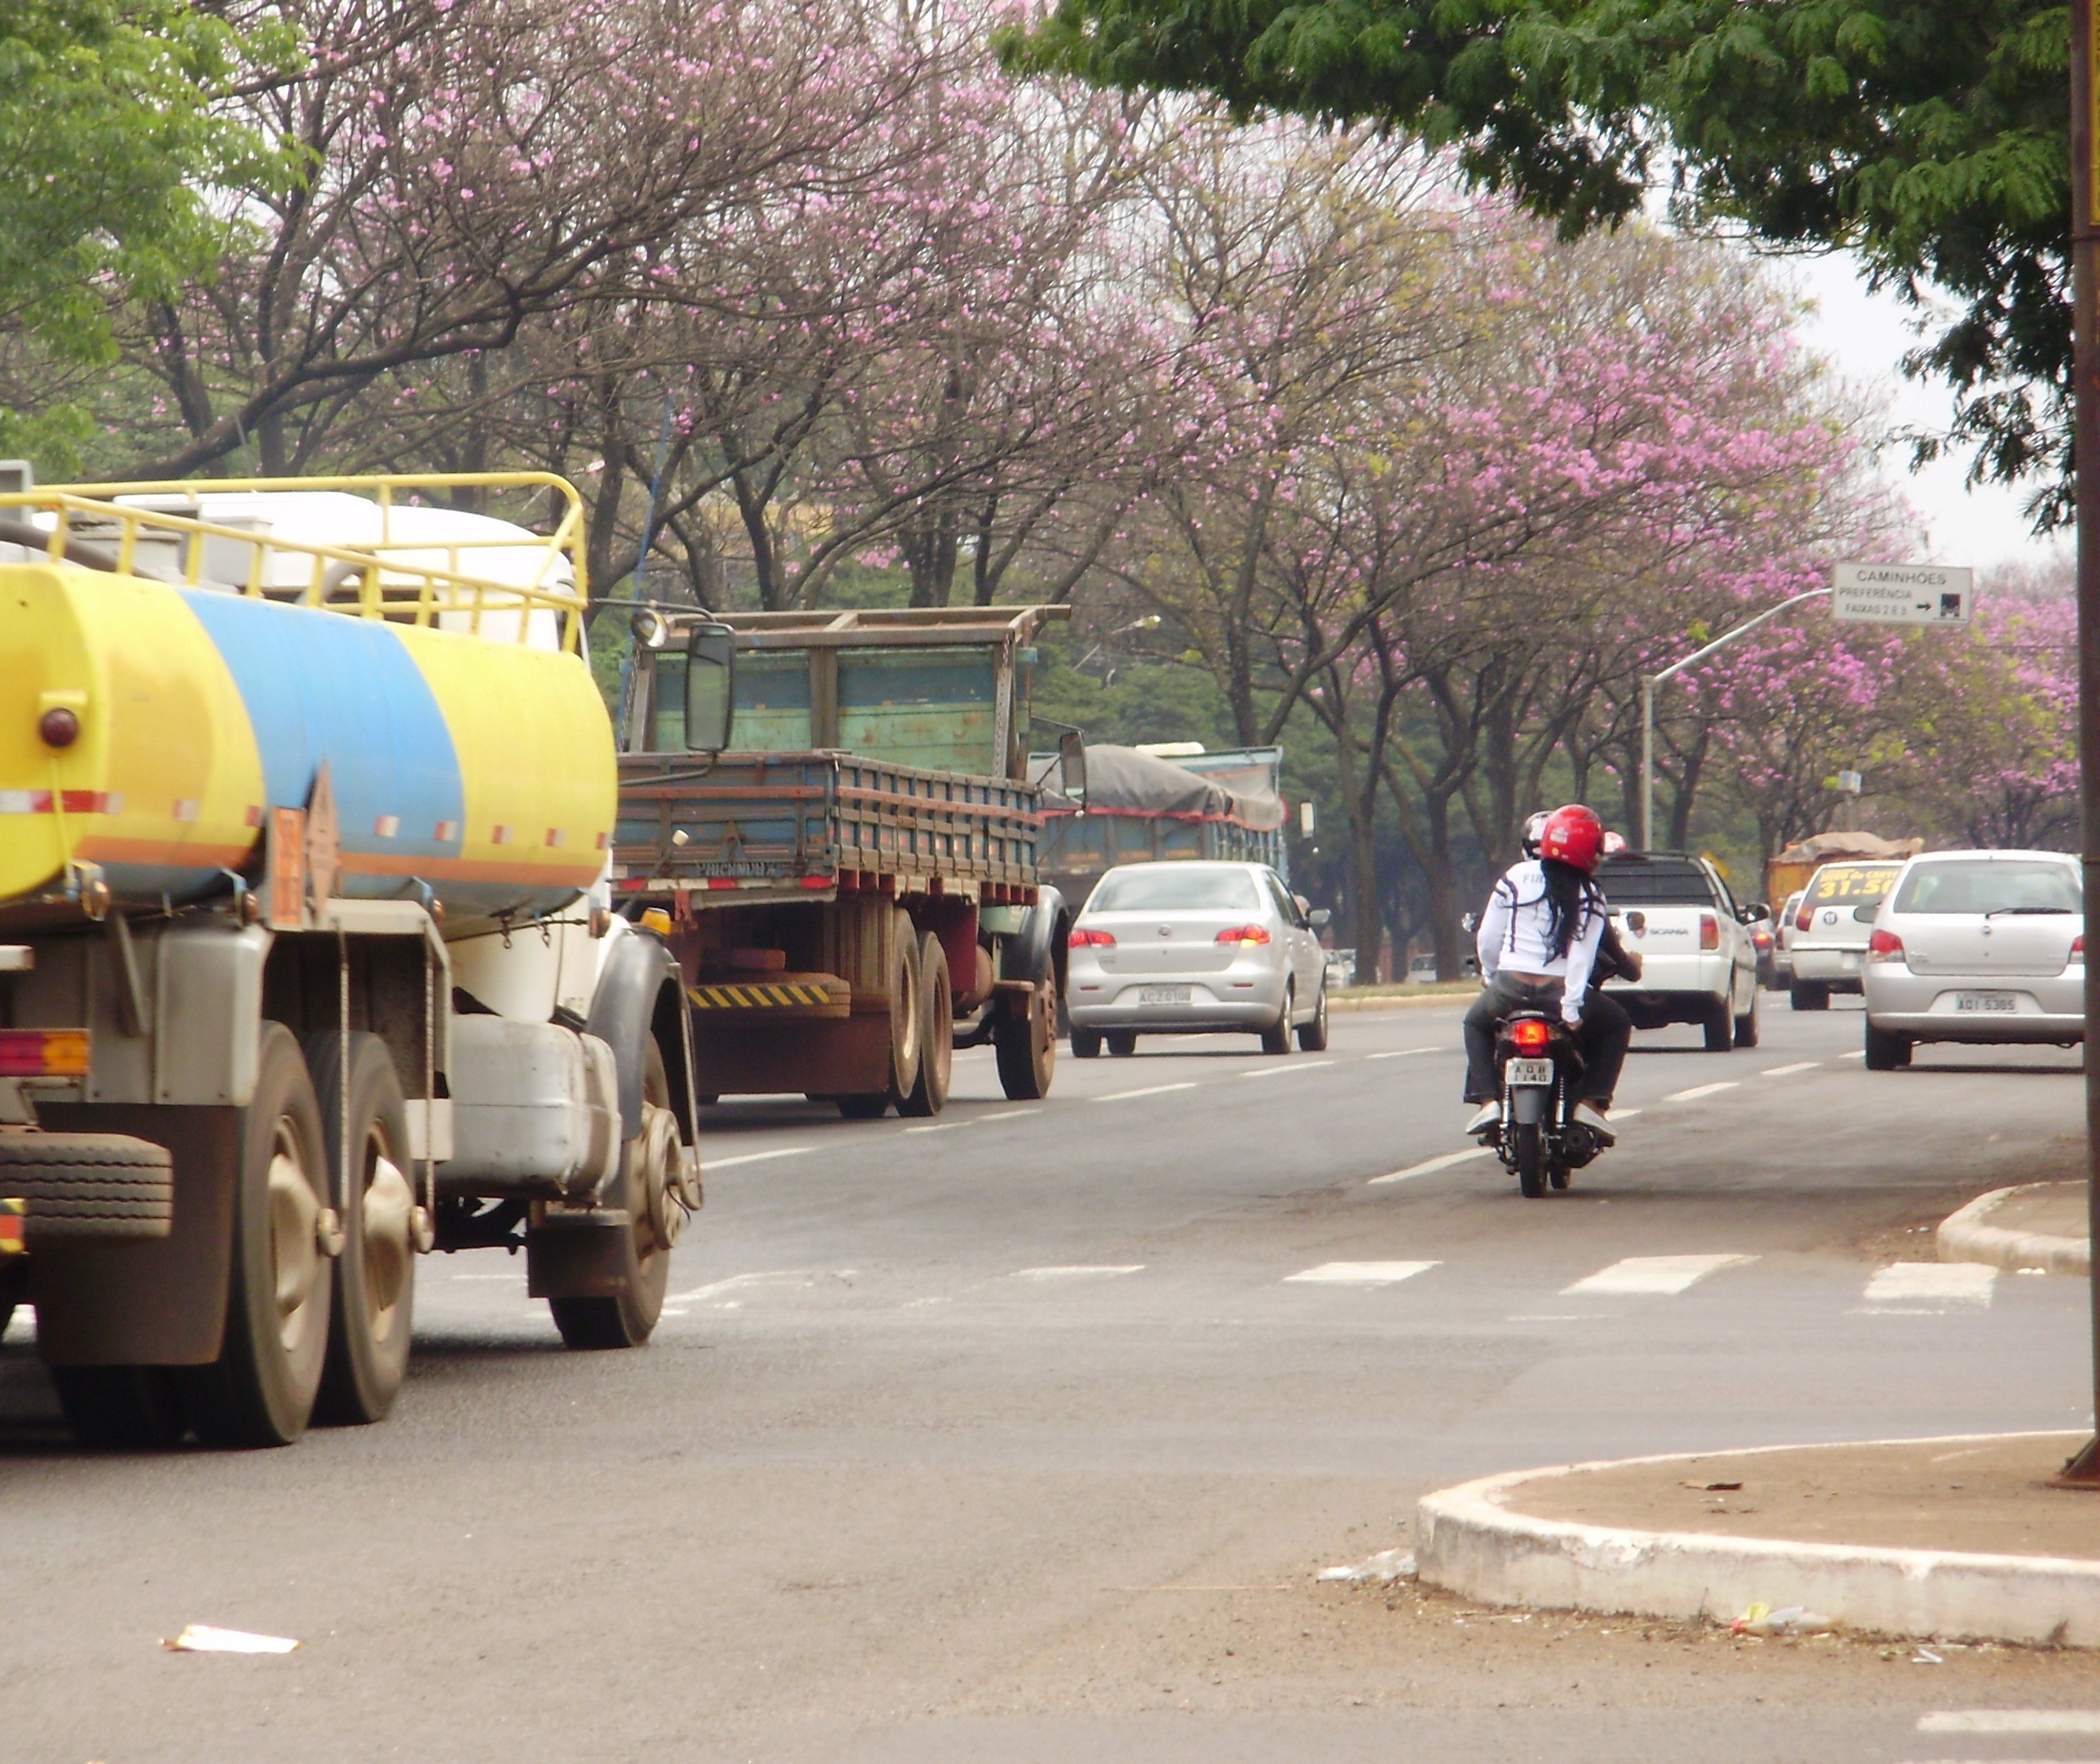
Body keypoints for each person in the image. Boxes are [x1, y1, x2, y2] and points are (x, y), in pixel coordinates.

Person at [1462, 804, 1630, 1141]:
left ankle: (1487, 1101)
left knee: (1476, 1023)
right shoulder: (1591, 894)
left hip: (1510, 989)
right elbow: (1581, 959)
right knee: (1617, 1024)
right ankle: (1593, 1104)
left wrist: (1492, 977)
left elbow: (1488, 939)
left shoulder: (1513, 878)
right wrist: (1571, 1010)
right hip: (1558, 996)